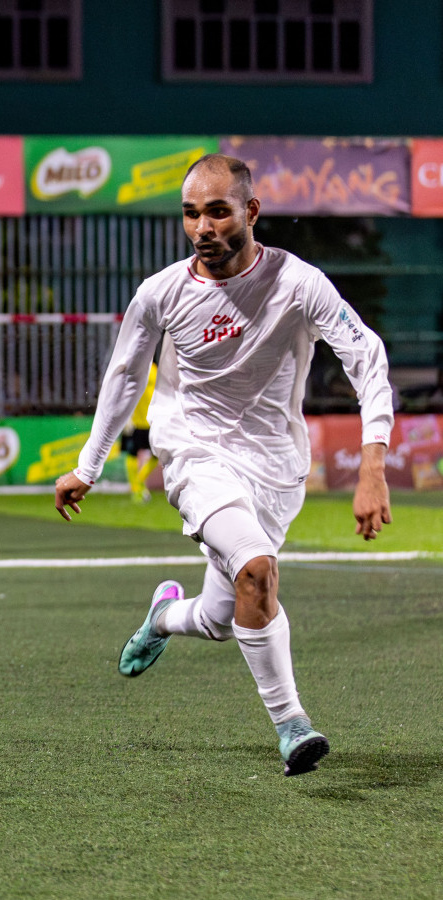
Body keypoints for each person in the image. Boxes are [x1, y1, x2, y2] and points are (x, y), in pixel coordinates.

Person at [53, 154, 393, 778]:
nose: (202, 226)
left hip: (275, 468)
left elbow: (366, 358)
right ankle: (293, 727)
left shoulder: (299, 284)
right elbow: (125, 376)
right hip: (195, 455)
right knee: (258, 573)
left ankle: (162, 615)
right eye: (190, 214)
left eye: (217, 210)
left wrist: (373, 463)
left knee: (222, 616)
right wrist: (88, 466)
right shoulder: (160, 293)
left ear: (250, 211)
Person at [122, 362, 159, 503]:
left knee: (156, 455)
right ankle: (136, 488)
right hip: (135, 422)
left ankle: (139, 482)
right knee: (131, 454)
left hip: (152, 422)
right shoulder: (133, 369)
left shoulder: (155, 369)